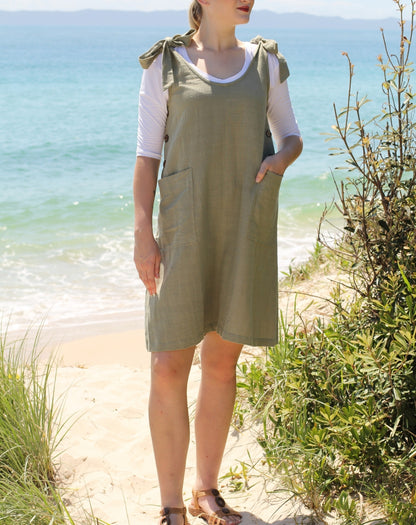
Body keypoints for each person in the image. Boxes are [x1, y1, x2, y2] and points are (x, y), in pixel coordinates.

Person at [133, 1, 302, 523]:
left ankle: (205, 491)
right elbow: (146, 157)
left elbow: (291, 133)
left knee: (223, 363)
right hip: (183, 227)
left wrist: (279, 158)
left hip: (243, 225)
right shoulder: (165, 65)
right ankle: (169, 506)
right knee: (167, 364)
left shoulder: (266, 62)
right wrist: (144, 232)